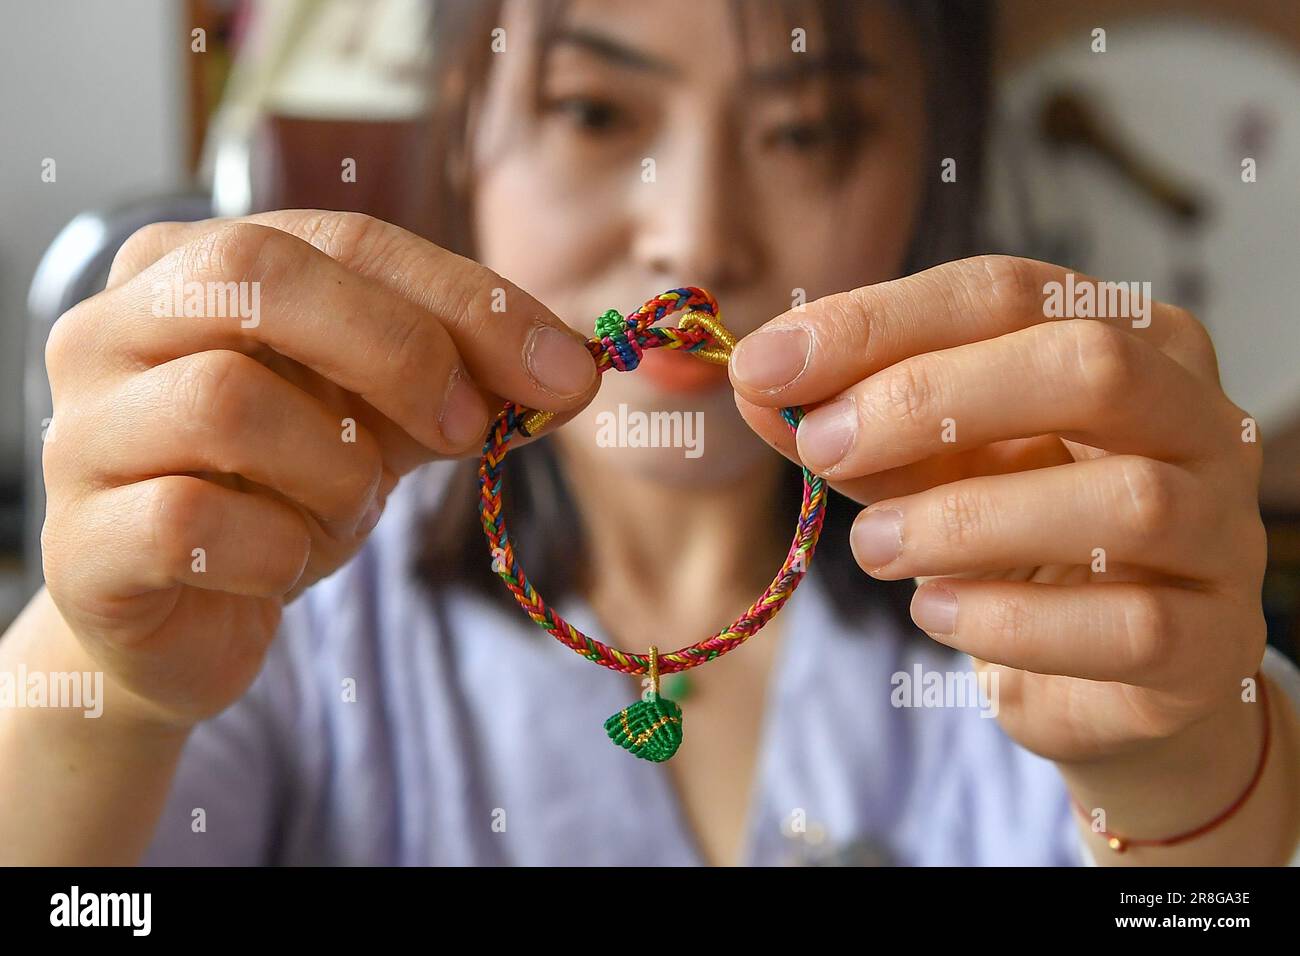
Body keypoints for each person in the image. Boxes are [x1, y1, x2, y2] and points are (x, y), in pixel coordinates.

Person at [2, 0, 1297, 866]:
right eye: (596, 114)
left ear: (931, 157)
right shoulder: (280, 605)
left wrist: (1195, 786)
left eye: (807, 130)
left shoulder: (1061, 595)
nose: (690, 232)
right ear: (464, 125)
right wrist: (99, 691)